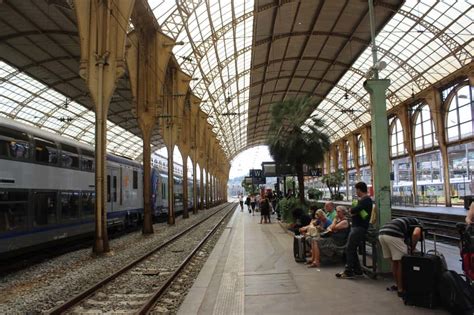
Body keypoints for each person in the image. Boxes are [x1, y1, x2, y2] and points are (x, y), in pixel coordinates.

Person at [336, 181, 372, 279]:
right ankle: (357, 271)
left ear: (359, 189)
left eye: (356, 189)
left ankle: (349, 271)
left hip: (359, 228)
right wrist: (354, 211)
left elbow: (353, 210)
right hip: (357, 227)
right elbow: (355, 211)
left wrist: (353, 211)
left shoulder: (366, 200)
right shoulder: (362, 200)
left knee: (349, 248)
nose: (356, 191)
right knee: (351, 248)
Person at [378, 217, 422, 297]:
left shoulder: (406, 221)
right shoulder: (419, 224)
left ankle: (397, 285)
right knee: (402, 262)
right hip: (394, 235)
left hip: (381, 234)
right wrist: (412, 247)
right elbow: (416, 234)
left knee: (394, 262)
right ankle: (401, 290)